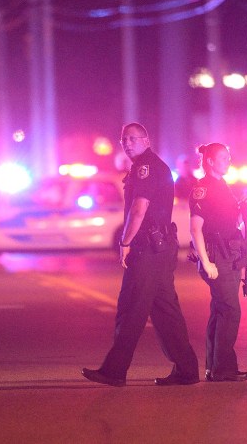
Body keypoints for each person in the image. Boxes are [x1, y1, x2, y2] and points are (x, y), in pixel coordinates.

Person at [82, 123, 200, 387]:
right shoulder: (148, 166)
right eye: (123, 139)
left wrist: (125, 242)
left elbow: (139, 209)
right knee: (165, 311)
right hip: (160, 249)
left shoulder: (146, 168)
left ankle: (114, 371)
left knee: (131, 309)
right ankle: (187, 369)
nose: (127, 143)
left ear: (147, 140)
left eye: (133, 138)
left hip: (148, 249)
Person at [189, 142, 247, 382]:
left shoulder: (223, 186)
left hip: (229, 254)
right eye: (223, 157)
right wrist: (206, 263)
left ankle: (214, 367)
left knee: (220, 310)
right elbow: (195, 229)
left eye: (229, 156)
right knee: (230, 310)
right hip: (217, 256)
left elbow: (229, 222)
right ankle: (223, 368)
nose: (228, 160)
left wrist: (242, 205)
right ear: (210, 162)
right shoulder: (202, 188)